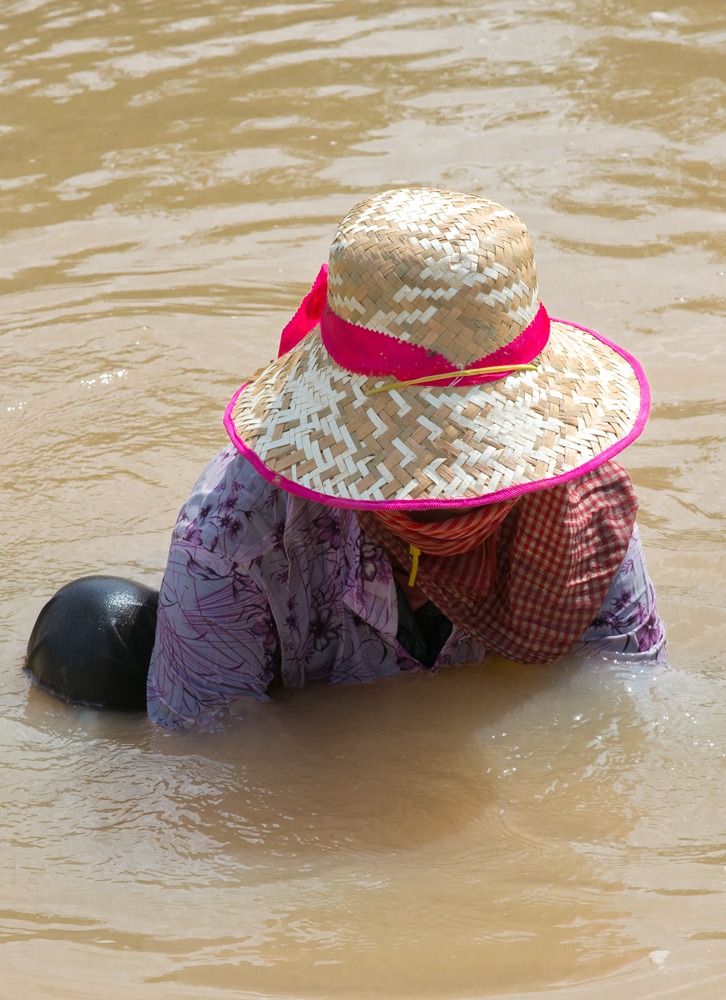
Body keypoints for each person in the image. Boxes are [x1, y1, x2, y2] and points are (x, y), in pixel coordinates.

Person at [26, 187, 666, 722]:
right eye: (418, 459)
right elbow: (213, 767)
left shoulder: (586, 511)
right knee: (92, 630)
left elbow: (625, 706)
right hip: (285, 685)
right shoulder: (235, 532)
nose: (445, 490)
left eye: (466, 462)